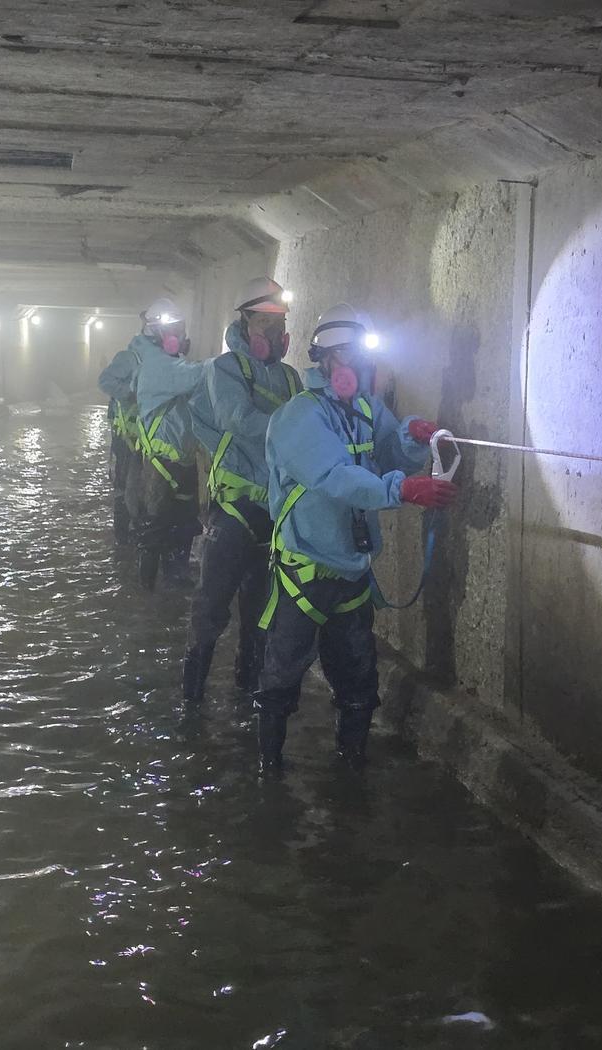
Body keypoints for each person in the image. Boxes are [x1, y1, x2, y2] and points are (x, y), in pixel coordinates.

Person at [254, 304, 458, 774]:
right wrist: (401, 490)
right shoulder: (298, 417)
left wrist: (412, 439)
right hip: (303, 572)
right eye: (357, 361)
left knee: (359, 684)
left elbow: (390, 454)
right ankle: (270, 770)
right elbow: (334, 477)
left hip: (350, 572)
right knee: (282, 679)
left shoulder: (365, 408)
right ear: (330, 362)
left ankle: (351, 767)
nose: (368, 372)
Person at [183, 278, 302, 709]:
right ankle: (191, 705)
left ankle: (246, 699)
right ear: (246, 322)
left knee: (259, 617)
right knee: (211, 611)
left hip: (274, 515)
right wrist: (294, 427)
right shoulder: (225, 369)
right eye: (265, 321)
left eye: (280, 322)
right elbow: (238, 420)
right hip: (234, 514)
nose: (274, 332)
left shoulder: (291, 378)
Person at [128, 298, 207, 590]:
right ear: (154, 333)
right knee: (155, 526)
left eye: (179, 327)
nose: (178, 333)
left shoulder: (172, 364)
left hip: (181, 462)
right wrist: (227, 363)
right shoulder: (157, 366)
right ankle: (147, 591)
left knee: (184, 525)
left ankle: (173, 585)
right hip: (160, 466)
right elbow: (197, 376)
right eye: (171, 328)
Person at [97, 336, 141, 545]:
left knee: (139, 486)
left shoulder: (165, 362)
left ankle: (134, 531)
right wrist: (134, 394)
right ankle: (123, 536)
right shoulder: (130, 358)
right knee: (124, 485)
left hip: (147, 439)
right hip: (126, 438)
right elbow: (105, 381)